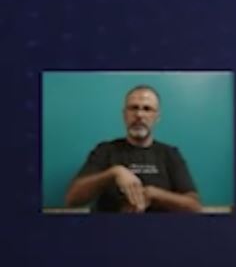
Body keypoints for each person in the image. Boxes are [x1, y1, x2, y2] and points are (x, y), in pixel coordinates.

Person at [65, 84, 201, 213]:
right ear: (124, 114)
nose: (139, 115)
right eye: (133, 108)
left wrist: (154, 194)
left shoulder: (170, 153)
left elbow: (194, 206)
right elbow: (72, 199)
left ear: (157, 117)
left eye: (147, 109)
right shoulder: (105, 150)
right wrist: (113, 173)